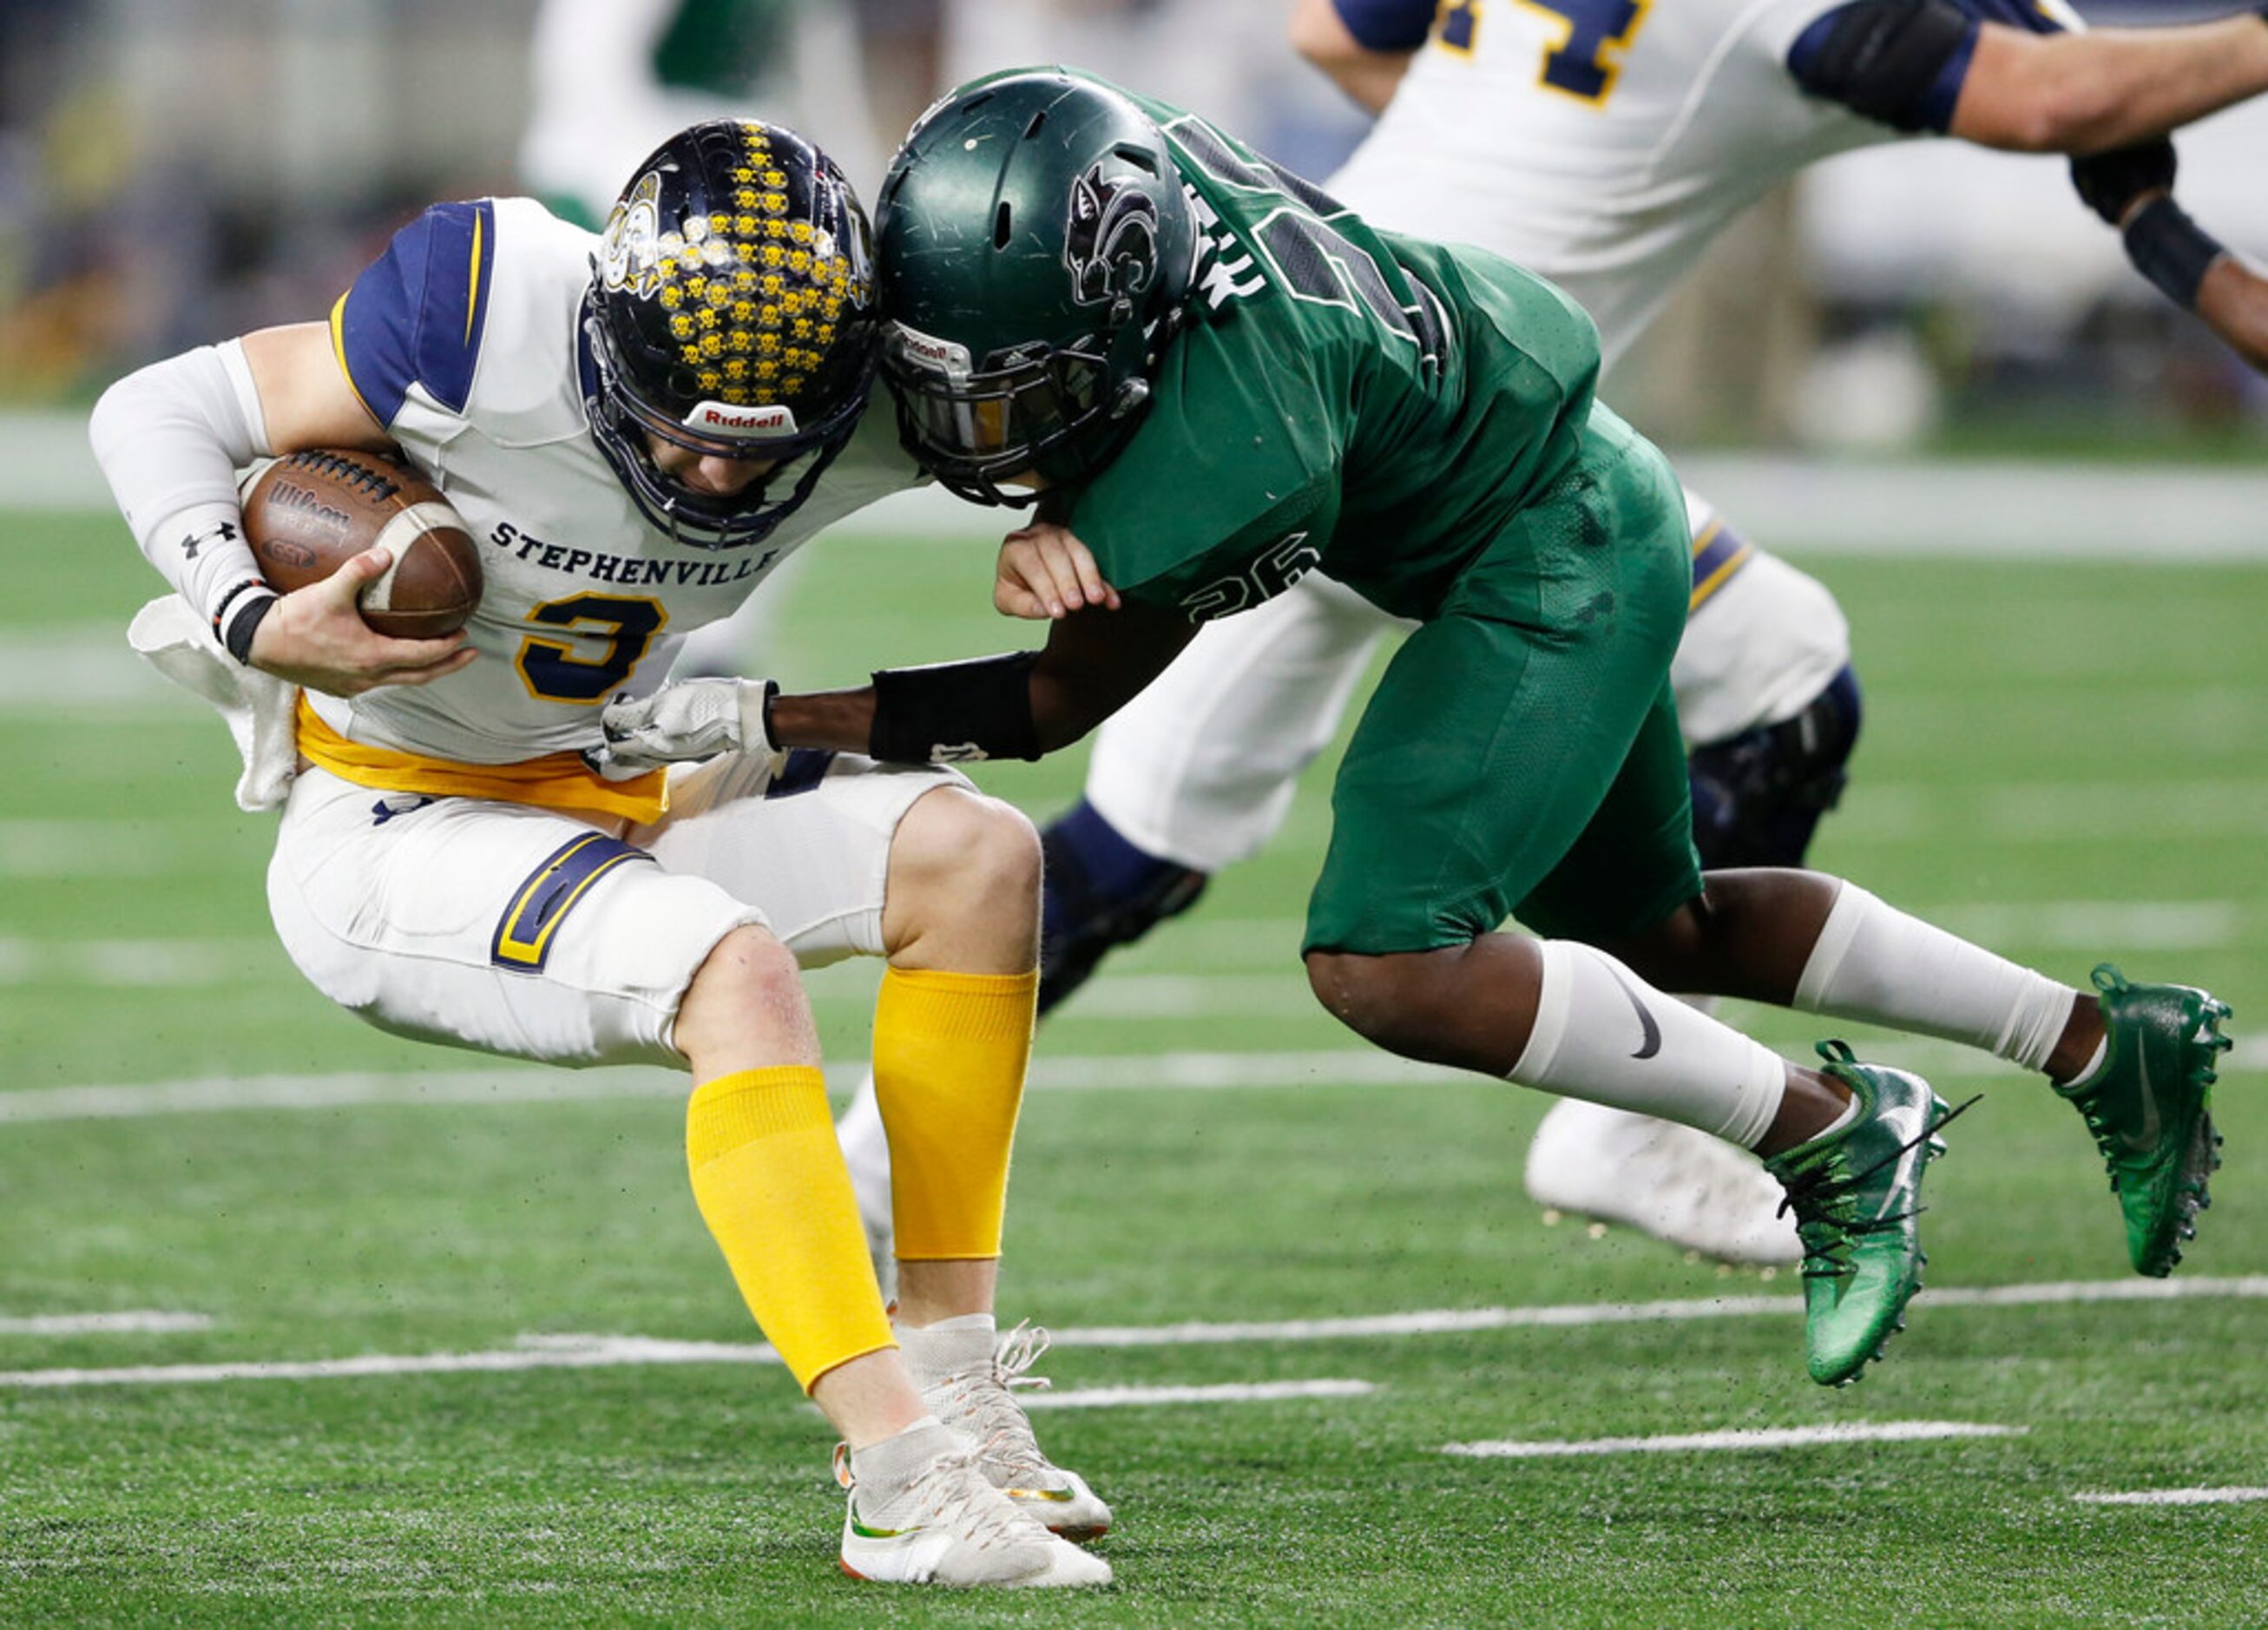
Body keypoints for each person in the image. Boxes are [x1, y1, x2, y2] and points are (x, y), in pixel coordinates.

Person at [602, 70, 2233, 1389]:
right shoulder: (1093, 180)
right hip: (1558, 474)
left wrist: (762, 717)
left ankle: (1830, 1132)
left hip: (1543, 550)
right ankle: (2104, 1043)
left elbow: (1046, 709)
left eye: (1017, 394)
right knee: (1653, 921)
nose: (973, 432)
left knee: (1384, 954)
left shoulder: (1228, 446)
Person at [89, 119, 1109, 1589]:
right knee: (731, 969)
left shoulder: (885, 385)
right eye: (678, 421)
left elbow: (1099, 421)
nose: (705, 466)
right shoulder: (485, 305)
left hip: (620, 777)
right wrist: (254, 615)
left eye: (760, 442)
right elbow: (154, 407)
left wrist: (1063, 522)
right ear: (602, 340)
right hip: (395, 823)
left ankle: (956, 1383)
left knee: (979, 862)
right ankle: (897, 1480)